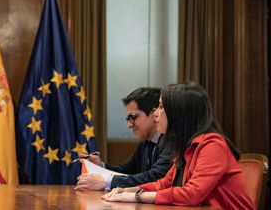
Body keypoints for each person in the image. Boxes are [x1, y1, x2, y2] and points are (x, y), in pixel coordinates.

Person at [102, 82, 255, 210]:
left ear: (179, 113)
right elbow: (165, 183)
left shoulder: (213, 144)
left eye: (161, 107)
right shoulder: (184, 146)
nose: (156, 113)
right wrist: (128, 190)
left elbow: (192, 194)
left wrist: (137, 196)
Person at [76, 87, 173, 191]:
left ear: (154, 114)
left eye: (133, 117)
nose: (129, 125)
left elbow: (154, 177)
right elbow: (124, 172)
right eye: (128, 119)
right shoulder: (144, 143)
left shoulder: (171, 142)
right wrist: (100, 166)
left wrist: (107, 182)